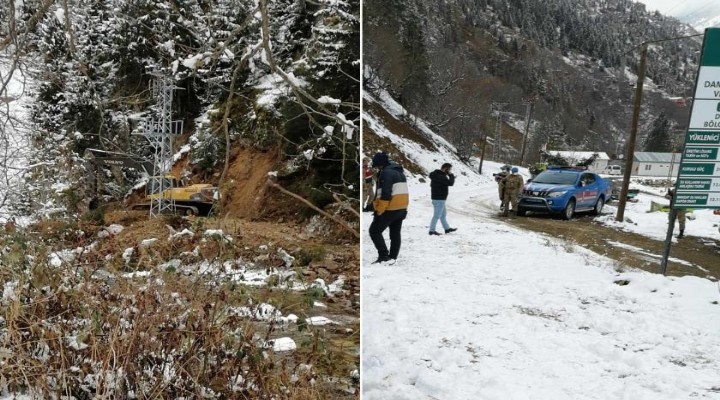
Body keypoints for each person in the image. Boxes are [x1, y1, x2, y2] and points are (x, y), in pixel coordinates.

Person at [369, 152, 409, 264]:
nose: (376, 168)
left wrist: (379, 210)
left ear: (381, 164)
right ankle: (393, 256)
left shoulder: (386, 173)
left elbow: (385, 194)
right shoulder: (399, 172)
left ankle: (383, 256)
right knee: (395, 233)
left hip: (390, 208)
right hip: (402, 207)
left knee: (374, 231)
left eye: (377, 165)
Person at [428, 163, 457, 235]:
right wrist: (451, 175)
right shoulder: (441, 177)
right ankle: (431, 230)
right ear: (446, 169)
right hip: (439, 199)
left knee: (443, 215)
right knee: (437, 216)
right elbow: (451, 183)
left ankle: (447, 229)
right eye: (449, 169)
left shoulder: (435, 175)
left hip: (438, 198)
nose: (450, 171)